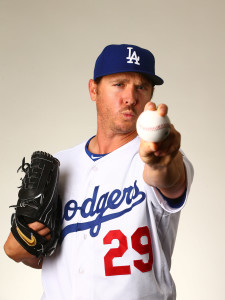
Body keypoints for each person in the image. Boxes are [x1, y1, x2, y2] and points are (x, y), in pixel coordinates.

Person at [4, 44, 194, 300]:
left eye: (142, 87)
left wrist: (162, 164)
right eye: (119, 84)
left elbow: (168, 180)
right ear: (93, 89)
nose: (131, 97)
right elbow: (54, 258)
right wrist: (23, 248)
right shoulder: (62, 164)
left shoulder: (162, 156)